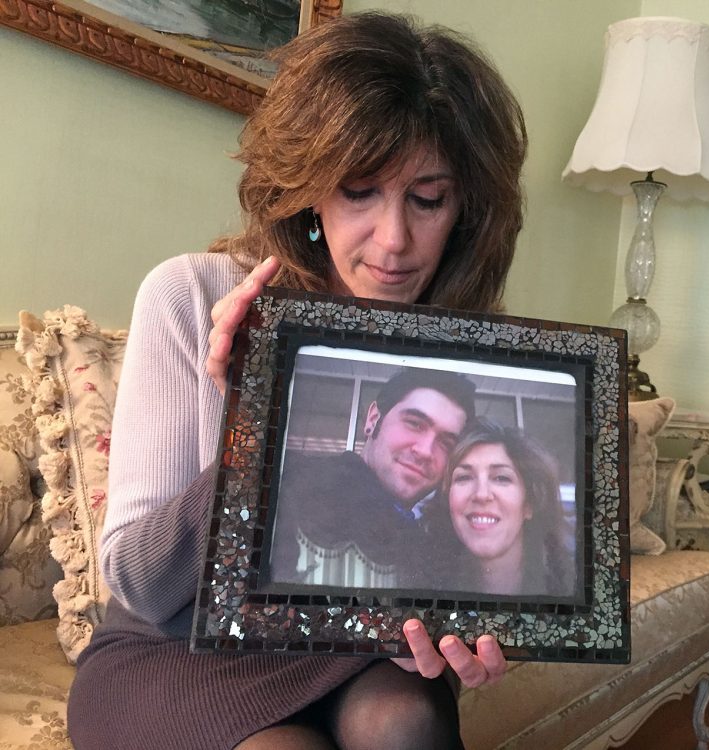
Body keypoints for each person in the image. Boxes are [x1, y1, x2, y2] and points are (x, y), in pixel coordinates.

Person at [67, 10, 527, 750]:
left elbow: (468, 570)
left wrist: (487, 626)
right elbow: (142, 585)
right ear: (310, 189)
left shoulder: (461, 341)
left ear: (464, 209)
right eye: (359, 191)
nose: (394, 241)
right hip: (174, 649)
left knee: (404, 721)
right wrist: (261, 418)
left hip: (349, 644)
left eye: (427, 198)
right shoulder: (191, 294)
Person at [269, 368, 476, 589]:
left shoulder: (431, 547)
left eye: (446, 443)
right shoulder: (287, 485)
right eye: (415, 423)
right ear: (373, 419)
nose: (426, 451)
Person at [424, 420, 574, 598]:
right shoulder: (424, 586)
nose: (481, 494)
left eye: (501, 478)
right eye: (464, 477)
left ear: (529, 504)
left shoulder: (573, 587)